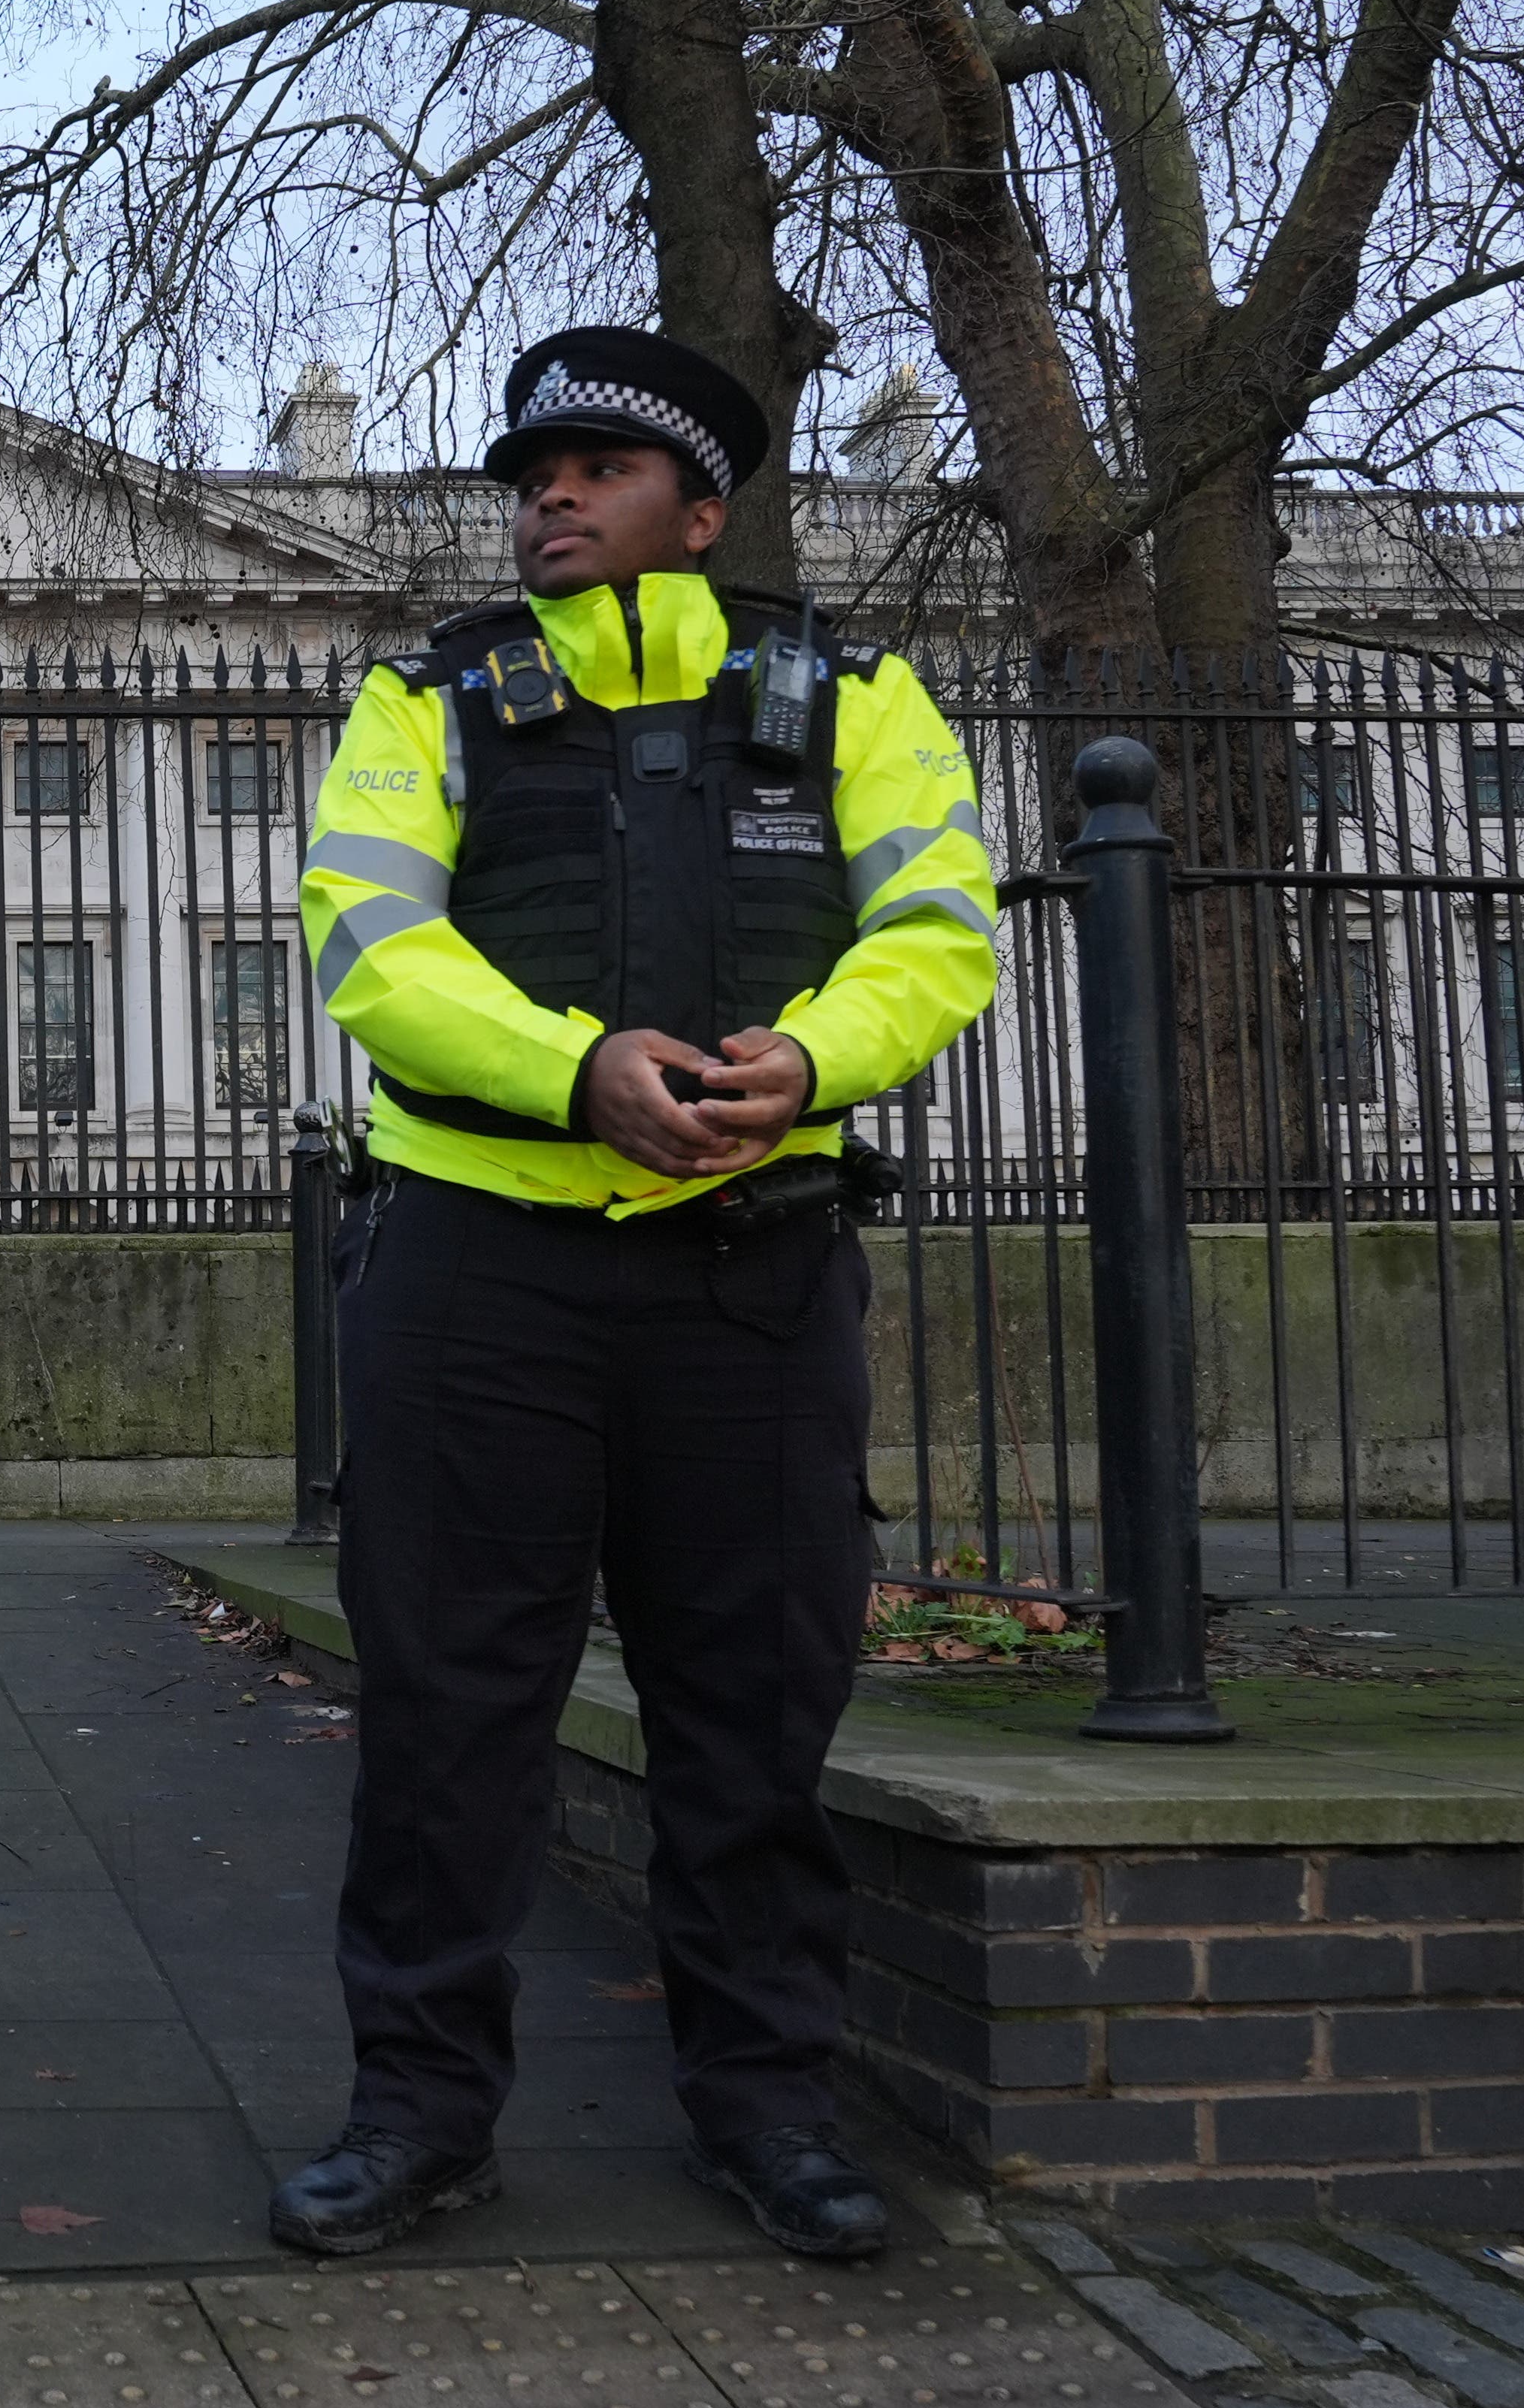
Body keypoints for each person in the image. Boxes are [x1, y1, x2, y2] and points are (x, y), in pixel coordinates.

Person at [280, 326, 999, 2261]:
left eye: (598, 471)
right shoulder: (425, 700)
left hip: (751, 1279)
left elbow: (938, 932)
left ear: (702, 507)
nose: (552, 500)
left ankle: (769, 2112)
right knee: (448, 1716)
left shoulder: (854, 700)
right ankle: (418, 2114)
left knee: (753, 1714)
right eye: (534, 474)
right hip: (474, 1263)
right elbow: (372, 942)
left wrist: (818, 1064)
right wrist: (578, 1067)